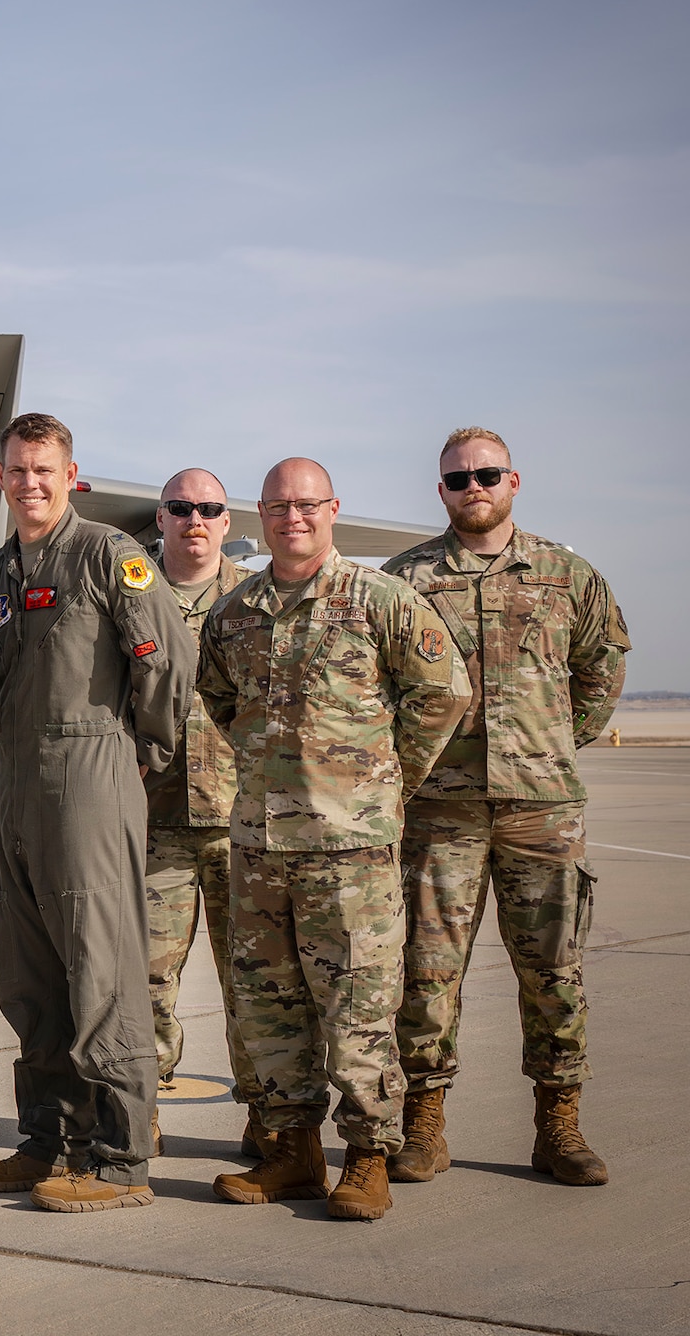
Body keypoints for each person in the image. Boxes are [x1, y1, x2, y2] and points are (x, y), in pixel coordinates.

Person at [199, 458, 469, 1222]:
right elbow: (219, 699)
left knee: (357, 1006)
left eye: (307, 504)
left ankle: (368, 1155)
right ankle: (291, 1152)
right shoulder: (236, 612)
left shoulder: (381, 598)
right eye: (279, 506)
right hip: (257, 847)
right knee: (268, 1007)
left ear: (333, 509)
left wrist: (384, 782)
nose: (293, 518)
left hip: (352, 851)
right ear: (261, 514)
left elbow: (443, 694)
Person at [381, 428, 628, 1187]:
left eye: (487, 474)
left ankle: (559, 1128)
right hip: (440, 811)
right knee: (425, 974)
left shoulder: (566, 574)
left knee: (554, 972)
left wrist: (549, 745)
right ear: (442, 491)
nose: (473, 487)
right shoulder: (405, 579)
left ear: (513, 481)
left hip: (541, 812)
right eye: (458, 479)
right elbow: (380, 681)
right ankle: (423, 1126)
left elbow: (602, 668)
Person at [0, 412, 196, 1213]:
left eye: (45, 470)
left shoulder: (110, 556)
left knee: (102, 970)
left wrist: (145, 753)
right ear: (2, 477)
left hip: (91, 771)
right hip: (17, 782)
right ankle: (48, 1139)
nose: (30, 483)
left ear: (71, 476)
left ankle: (122, 1158)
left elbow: (164, 663)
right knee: (29, 975)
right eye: (18, 470)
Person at [143, 470, 264, 1158]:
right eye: (181, 508)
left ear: (226, 521)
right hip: (154, 821)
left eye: (209, 509)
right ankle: (143, 1111)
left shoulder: (255, 598)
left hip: (241, 824)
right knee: (147, 979)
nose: (195, 519)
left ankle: (268, 1118)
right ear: (160, 518)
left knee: (254, 982)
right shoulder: (129, 594)